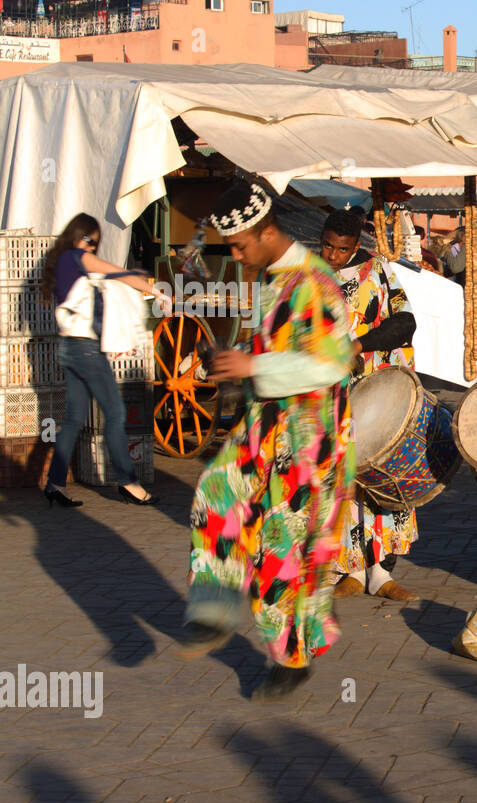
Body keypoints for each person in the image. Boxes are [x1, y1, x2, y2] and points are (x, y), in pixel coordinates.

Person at [180, 182, 355, 701]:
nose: (235, 255)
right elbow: (274, 350)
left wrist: (253, 364)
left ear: (268, 231)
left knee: (282, 551)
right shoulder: (273, 279)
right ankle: (215, 611)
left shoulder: (316, 282)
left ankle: (291, 659)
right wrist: (237, 363)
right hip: (263, 426)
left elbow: (331, 363)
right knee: (216, 490)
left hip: (307, 440)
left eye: (240, 245)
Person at [318, 208, 420, 603]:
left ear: (355, 246)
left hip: (379, 394)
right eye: (326, 245)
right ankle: (351, 570)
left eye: (340, 249)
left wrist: (360, 344)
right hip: (332, 397)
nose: (331, 255)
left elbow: (406, 322)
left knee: (381, 476)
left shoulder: (377, 272)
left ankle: (380, 571)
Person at [40, 213, 163, 508]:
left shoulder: (62, 261)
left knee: (72, 420)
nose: (92, 247)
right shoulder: (76, 256)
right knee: (116, 414)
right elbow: (118, 272)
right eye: (89, 240)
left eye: (95, 242)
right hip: (87, 350)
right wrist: (153, 289)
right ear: (78, 236)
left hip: (69, 347)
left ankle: (55, 484)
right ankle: (128, 482)